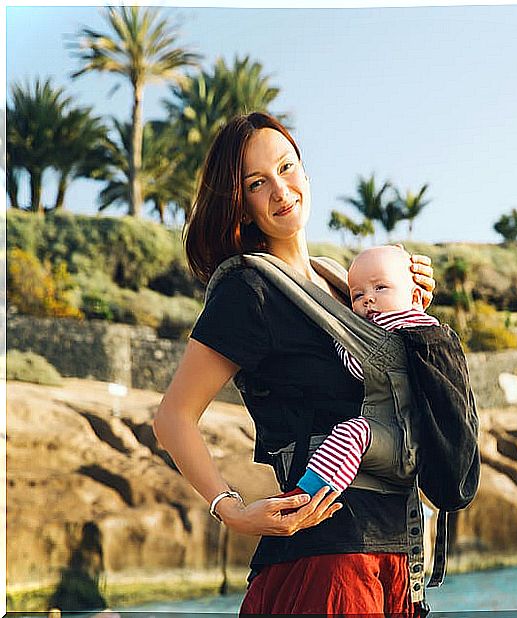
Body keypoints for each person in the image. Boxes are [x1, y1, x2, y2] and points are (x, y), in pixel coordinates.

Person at [152, 111, 436, 616]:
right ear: (240, 205)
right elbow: (173, 417)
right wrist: (234, 511)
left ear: (305, 172)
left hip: (397, 558)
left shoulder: (344, 284)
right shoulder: (249, 290)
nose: (281, 191)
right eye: (258, 183)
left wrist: (410, 308)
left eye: (286, 168)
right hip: (326, 566)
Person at [287, 244, 440, 499]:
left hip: (402, 441)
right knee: (355, 434)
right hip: (411, 440)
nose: (368, 299)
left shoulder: (392, 325)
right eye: (357, 295)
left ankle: (309, 493)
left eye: (380, 288)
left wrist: (341, 337)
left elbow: (358, 368)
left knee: (353, 433)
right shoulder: (423, 325)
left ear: (415, 297)